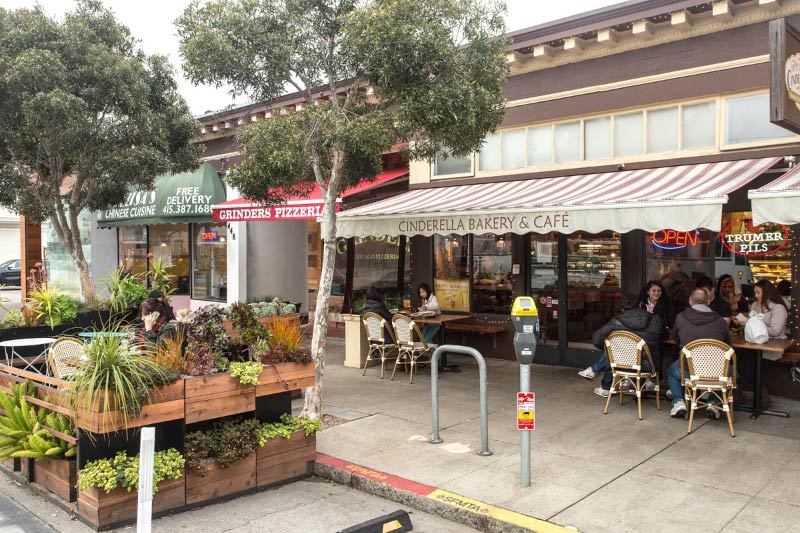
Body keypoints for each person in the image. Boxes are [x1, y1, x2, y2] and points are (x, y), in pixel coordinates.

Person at [578, 293, 662, 398]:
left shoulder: (616, 322)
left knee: (614, 352)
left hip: (621, 364)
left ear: (622, 309)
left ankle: (599, 378)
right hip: (648, 365)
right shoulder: (655, 319)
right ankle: (599, 378)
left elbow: (596, 339)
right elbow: (662, 336)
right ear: (640, 305)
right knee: (617, 351)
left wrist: (610, 349)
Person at [667, 288, 731, 419]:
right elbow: (727, 345)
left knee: (671, 371)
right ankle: (713, 403)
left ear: (690, 301)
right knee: (731, 371)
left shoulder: (680, 317)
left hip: (688, 370)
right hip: (716, 371)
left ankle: (679, 402)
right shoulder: (720, 321)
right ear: (708, 301)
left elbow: (676, 339)